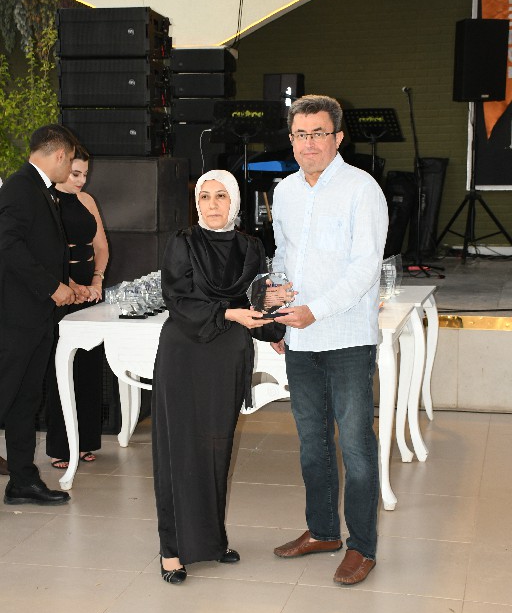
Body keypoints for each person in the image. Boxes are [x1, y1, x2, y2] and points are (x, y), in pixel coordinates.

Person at [270, 95, 388, 586]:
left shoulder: (362, 189)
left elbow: (365, 269)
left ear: (338, 138)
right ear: (291, 139)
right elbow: (282, 255)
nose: (309, 144)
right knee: (312, 443)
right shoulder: (285, 191)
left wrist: (314, 311)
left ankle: (362, 547)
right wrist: (276, 311)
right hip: (298, 337)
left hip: (345, 336)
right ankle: (322, 531)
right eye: (301, 134)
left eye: (319, 133)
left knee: (356, 445)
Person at [152, 170, 285, 584]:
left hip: (227, 356)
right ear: (196, 203)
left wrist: (274, 325)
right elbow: (179, 300)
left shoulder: (250, 247)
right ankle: (172, 550)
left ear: (235, 203)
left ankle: (211, 541)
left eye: (221, 196)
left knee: (216, 447)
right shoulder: (182, 242)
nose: (212, 204)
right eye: (205, 196)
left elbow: (255, 302)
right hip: (185, 352)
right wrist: (231, 313)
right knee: (178, 450)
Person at [0, 124, 78, 505]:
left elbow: (38, 248)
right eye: (71, 160)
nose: (71, 168)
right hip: (15, 318)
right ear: (60, 155)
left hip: (35, 316)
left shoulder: (38, 188)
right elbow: (7, 245)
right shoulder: (20, 187)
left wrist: (65, 284)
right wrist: (51, 286)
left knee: (25, 401)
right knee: (5, 395)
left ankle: (22, 480)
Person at [45, 144, 109, 469]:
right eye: (75, 174)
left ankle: (86, 441)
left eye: (85, 174)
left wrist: (96, 281)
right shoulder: (46, 202)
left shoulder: (87, 200)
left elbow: (102, 247)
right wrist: (70, 286)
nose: (82, 180)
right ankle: (60, 446)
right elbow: (44, 254)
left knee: (88, 367)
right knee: (60, 369)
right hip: (59, 291)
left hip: (90, 292)